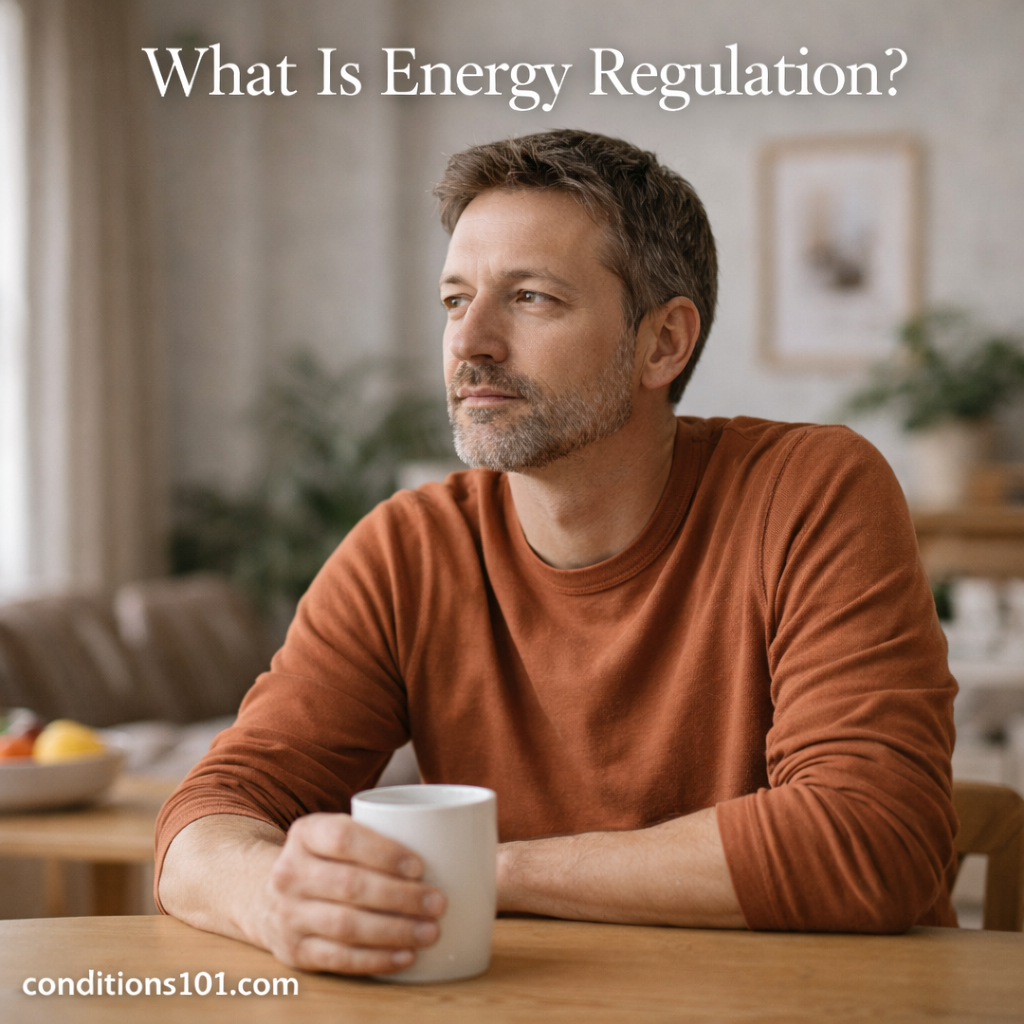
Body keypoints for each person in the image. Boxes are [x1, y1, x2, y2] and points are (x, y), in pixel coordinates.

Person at [156, 129, 958, 975]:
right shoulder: (409, 549)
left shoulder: (810, 491)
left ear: (664, 344)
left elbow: (873, 837)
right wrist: (273, 897)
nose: (470, 345)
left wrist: (486, 870)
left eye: (531, 297)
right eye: (455, 300)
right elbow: (207, 817)